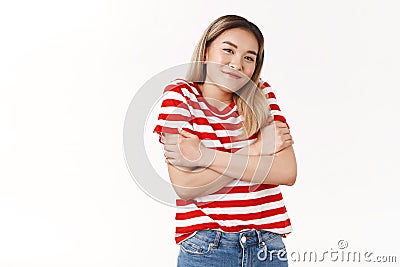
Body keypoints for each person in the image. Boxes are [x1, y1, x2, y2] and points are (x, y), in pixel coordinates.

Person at [153, 14, 297, 267]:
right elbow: (186, 186)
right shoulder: (180, 95)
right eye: (228, 50)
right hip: (208, 246)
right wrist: (256, 149)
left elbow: (286, 172)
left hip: (268, 247)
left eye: (249, 58)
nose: (237, 64)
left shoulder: (262, 94)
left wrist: (207, 156)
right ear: (206, 50)